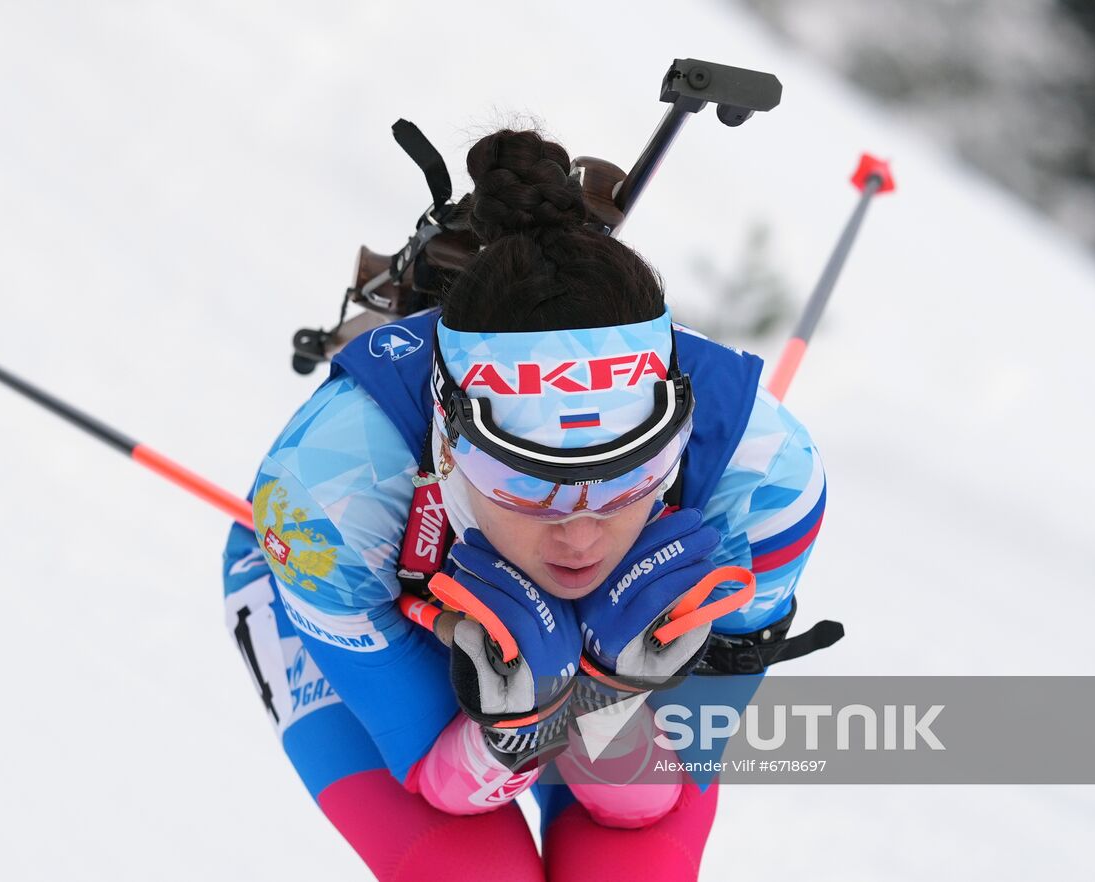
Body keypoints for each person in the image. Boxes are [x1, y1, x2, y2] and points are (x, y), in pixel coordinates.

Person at [222, 128, 827, 881]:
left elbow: (643, 804)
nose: (580, 533)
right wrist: (519, 729)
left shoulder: (762, 479)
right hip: (359, 579)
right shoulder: (326, 490)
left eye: (628, 483)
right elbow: (439, 788)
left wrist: (601, 696)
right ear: (448, 447)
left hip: (569, 653)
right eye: (524, 488)